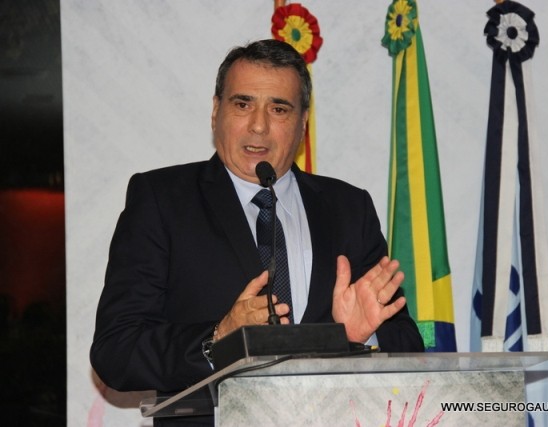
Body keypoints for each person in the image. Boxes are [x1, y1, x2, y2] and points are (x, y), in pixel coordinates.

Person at [90, 39, 423, 426]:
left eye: (279, 109)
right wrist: (219, 338)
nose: (259, 125)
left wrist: (358, 339)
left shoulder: (348, 207)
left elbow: (408, 345)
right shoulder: (162, 201)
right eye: (243, 104)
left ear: (303, 122)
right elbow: (116, 350)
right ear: (215, 112)